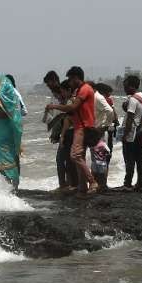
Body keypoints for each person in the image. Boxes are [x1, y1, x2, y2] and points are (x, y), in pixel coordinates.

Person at [46, 66, 97, 195]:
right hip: (79, 127)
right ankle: (82, 187)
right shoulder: (79, 90)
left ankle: (92, 182)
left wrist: (54, 106)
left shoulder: (84, 89)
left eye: (70, 79)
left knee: (75, 156)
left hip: (83, 127)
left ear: (75, 78)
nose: (69, 81)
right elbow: (71, 114)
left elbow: (72, 107)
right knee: (79, 157)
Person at [0, 75, 24, 190]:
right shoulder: (14, 98)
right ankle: (15, 183)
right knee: (11, 154)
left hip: (0, 130)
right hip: (11, 129)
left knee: (1, 156)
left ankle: (8, 183)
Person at [120, 75, 142, 191]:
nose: (124, 89)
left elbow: (130, 118)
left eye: (125, 86)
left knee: (129, 159)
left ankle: (127, 183)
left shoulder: (133, 99)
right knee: (139, 159)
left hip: (131, 134)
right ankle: (141, 184)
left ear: (131, 86)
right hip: (140, 132)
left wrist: (125, 135)